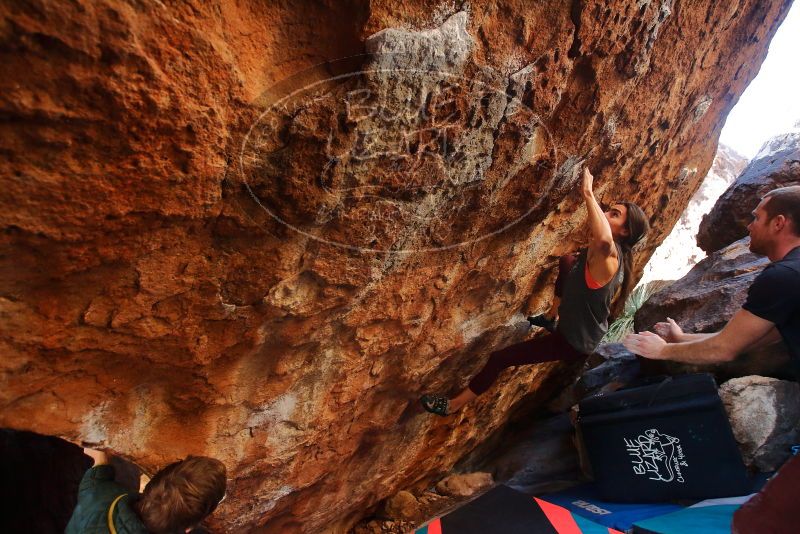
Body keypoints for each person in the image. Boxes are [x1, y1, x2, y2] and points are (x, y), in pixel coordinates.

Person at [421, 167, 650, 415]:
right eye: (608, 210)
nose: (605, 214)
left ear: (625, 231)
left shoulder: (609, 257)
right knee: (567, 261)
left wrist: (587, 192)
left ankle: (453, 405)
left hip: (573, 341)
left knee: (500, 358)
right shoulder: (598, 252)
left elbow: (604, 240)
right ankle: (551, 316)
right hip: (575, 323)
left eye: (614, 215)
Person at [623, 185, 800, 366]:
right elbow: (744, 341)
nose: (750, 226)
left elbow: (723, 349)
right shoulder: (792, 273)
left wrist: (661, 350)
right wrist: (681, 338)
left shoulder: (783, 277)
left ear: (778, 223)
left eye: (757, 218)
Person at [66, 447, 227, 534]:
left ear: (150, 483)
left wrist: (100, 452)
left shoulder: (96, 491)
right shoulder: (95, 488)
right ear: (188, 528)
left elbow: (97, 465)